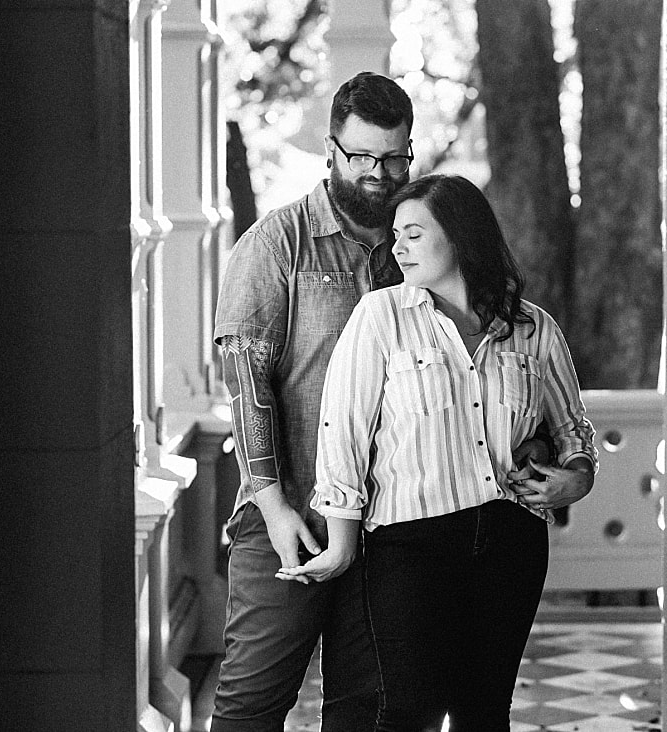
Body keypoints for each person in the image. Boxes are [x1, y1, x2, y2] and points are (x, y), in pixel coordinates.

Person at [211, 74, 550, 731]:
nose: (379, 172)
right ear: (332, 151)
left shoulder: (419, 249)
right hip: (289, 513)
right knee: (252, 703)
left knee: (367, 712)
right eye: (363, 156)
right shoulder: (276, 246)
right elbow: (245, 381)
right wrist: (274, 505)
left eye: (395, 157)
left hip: (392, 531)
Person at [281, 174, 598, 731]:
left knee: (484, 714)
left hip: (510, 542)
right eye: (396, 235)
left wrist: (575, 478)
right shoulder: (380, 317)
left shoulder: (533, 329)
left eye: (413, 234)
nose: (397, 247)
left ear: (460, 236)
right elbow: (343, 432)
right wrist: (341, 544)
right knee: (407, 712)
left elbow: (574, 432)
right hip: (410, 545)